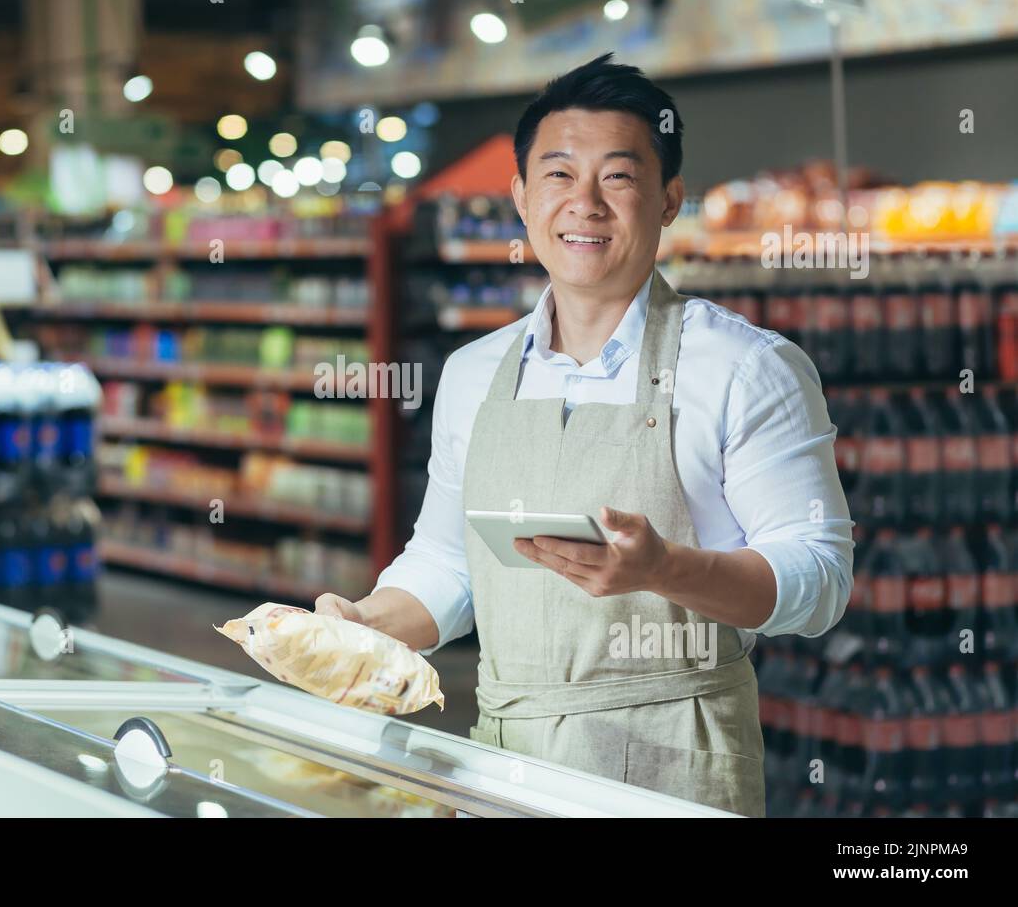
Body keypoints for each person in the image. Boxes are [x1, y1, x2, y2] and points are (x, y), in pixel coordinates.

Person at [315, 53, 854, 817]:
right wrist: (367, 624)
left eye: (619, 177)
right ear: (521, 198)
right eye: (560, 175)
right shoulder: (474, 373)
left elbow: (820, 580)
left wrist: (667, 569)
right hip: (508, 760)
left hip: (676, 765)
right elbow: (448, 559)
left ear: (669, 200)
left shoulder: (745, 368)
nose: (586, 205)